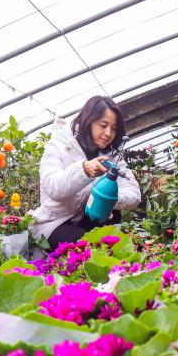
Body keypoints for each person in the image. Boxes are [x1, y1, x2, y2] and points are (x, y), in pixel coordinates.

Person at [30, 96, 141, 248]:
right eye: (103, 125)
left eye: (114, 129)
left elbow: (133, 192)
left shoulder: (111, 155)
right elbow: (53, 187)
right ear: (89, 121)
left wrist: (109, 201)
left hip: (90, 220)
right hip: (55, 222)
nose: (108, 133)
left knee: (120, 244)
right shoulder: (59, 145)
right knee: (89, 247)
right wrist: (83, 170)